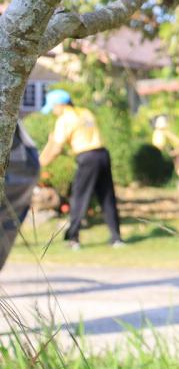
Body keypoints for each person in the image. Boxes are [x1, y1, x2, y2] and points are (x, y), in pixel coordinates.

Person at [37, 89, 123, 251]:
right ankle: (116, 238)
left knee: (79, 197)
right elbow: (54, 142)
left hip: (87, 157)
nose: (53, 112)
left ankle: (73, 239)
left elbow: (55, 149)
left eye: (53, 108)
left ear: (60, 105)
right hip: (102, 154)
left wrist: (39, 165)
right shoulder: (85, 113)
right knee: (106, 196)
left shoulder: (64, 119)